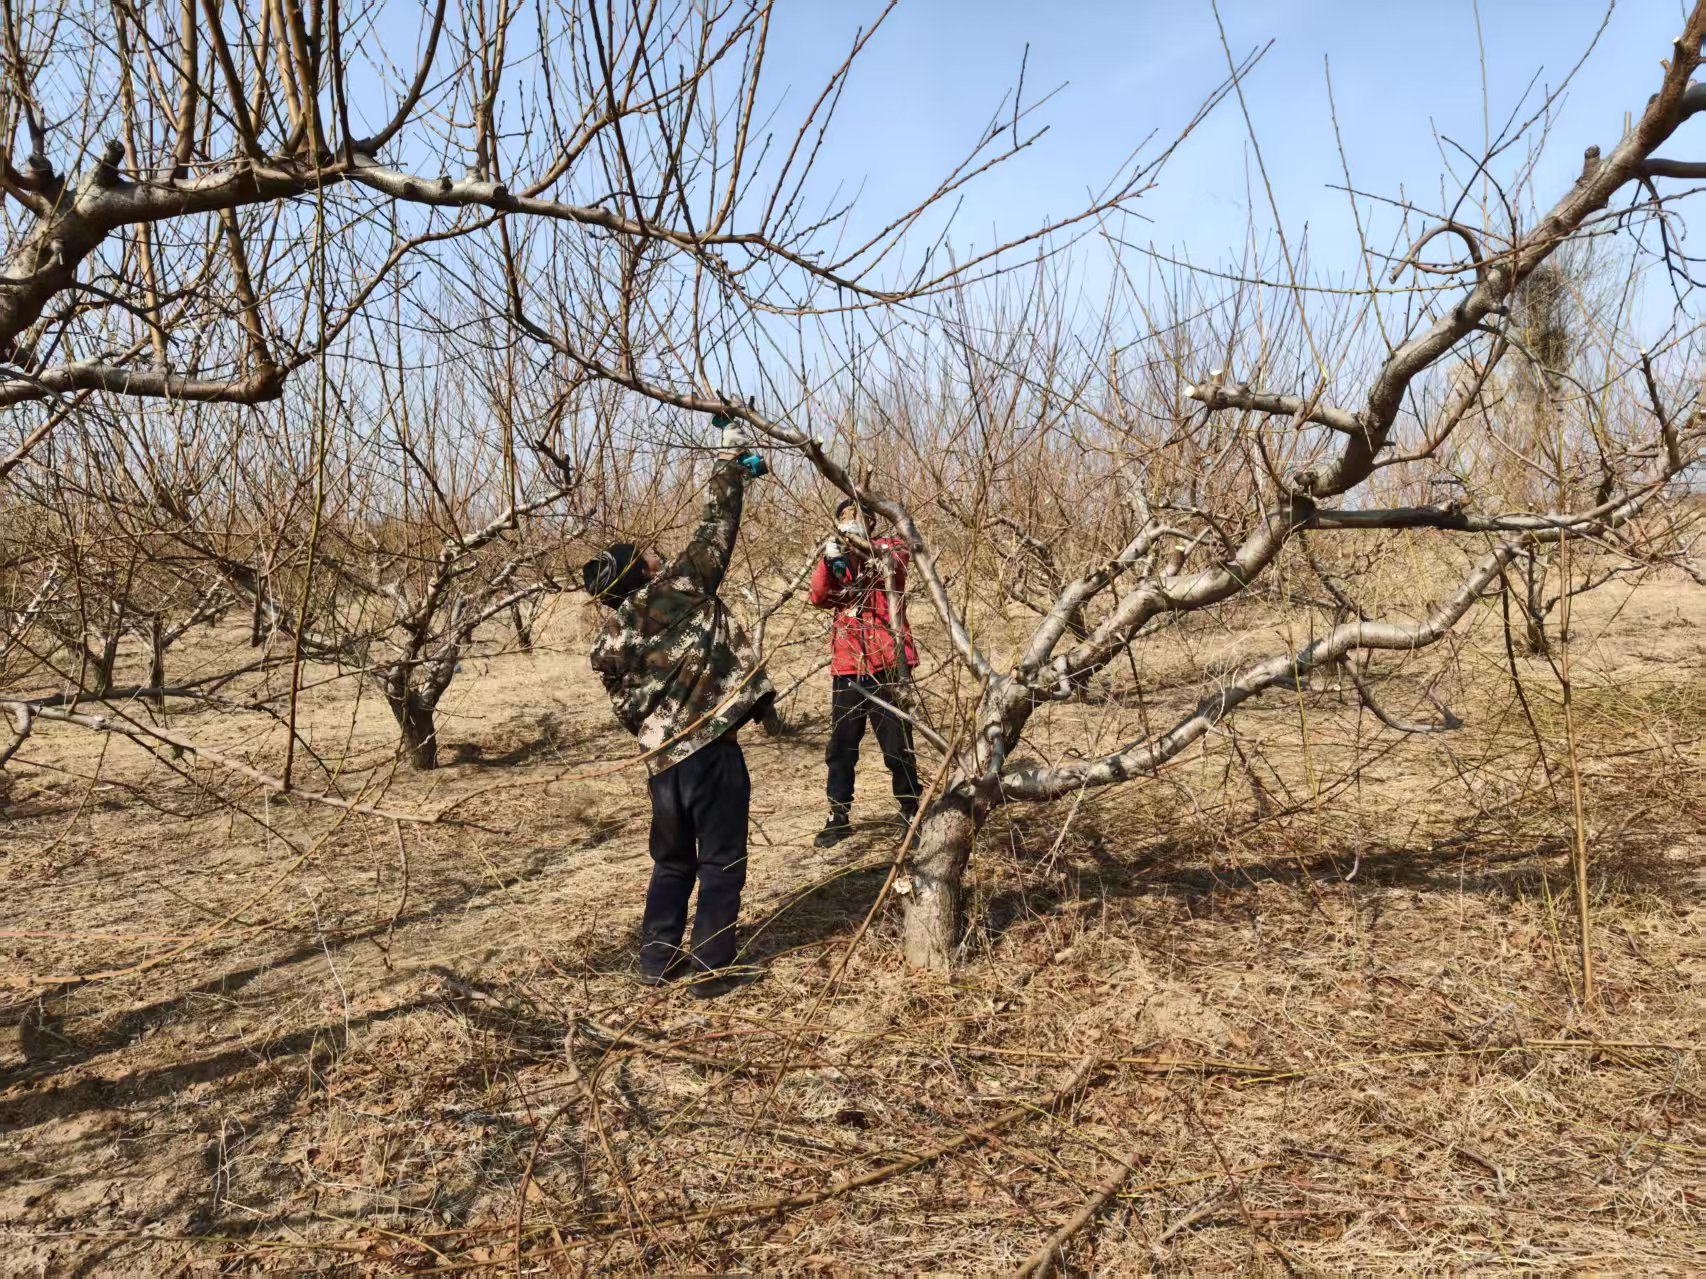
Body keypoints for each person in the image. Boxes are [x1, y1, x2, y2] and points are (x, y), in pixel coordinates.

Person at [583, 422, 775, 995]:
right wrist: (728, 460)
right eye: (648, 557)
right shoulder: (679, 590)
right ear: (641, 574)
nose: (658, 556)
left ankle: (656, 961)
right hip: (710, 753)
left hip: (662, 763)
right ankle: (712, 971)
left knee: (672, 861)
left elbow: (627, 712)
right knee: (721, 861)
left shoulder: (611, 638)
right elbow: (717, 525)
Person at [808, 496, 921, 848]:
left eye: (857, 515)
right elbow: (819, 597)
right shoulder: (837, 560)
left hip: (887, 663)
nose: (850, 520)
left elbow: (899, 563)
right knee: (841, 747)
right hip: (848, 665)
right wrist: (829, 559)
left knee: (897, 746)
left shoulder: (888, 548)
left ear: (872, 521)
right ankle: (838, 815)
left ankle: (911, 809)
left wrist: (863, 546)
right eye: (844, 517)